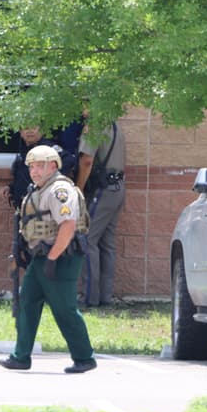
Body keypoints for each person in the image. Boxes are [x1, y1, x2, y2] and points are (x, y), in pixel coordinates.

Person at [0, 144, 96, 374]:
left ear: (53, 166)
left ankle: (84, 357)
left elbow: (68, 225)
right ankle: (20, 356)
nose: (34, 171)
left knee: (64, 309)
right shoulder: (40, 189)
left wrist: (52, 259)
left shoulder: (59, 190)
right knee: (27, 302)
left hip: (62, 257)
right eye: (31, 166)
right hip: (42, 257)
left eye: (40, 166)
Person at [76, 120, 127, 308]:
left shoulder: (95, 126)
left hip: (103, 189)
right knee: (107, 243)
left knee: (87, 238)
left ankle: (89, 298)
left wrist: (79, 189)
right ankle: (104, 296)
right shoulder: (114, 125)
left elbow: (87, 160)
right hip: (118, 187)